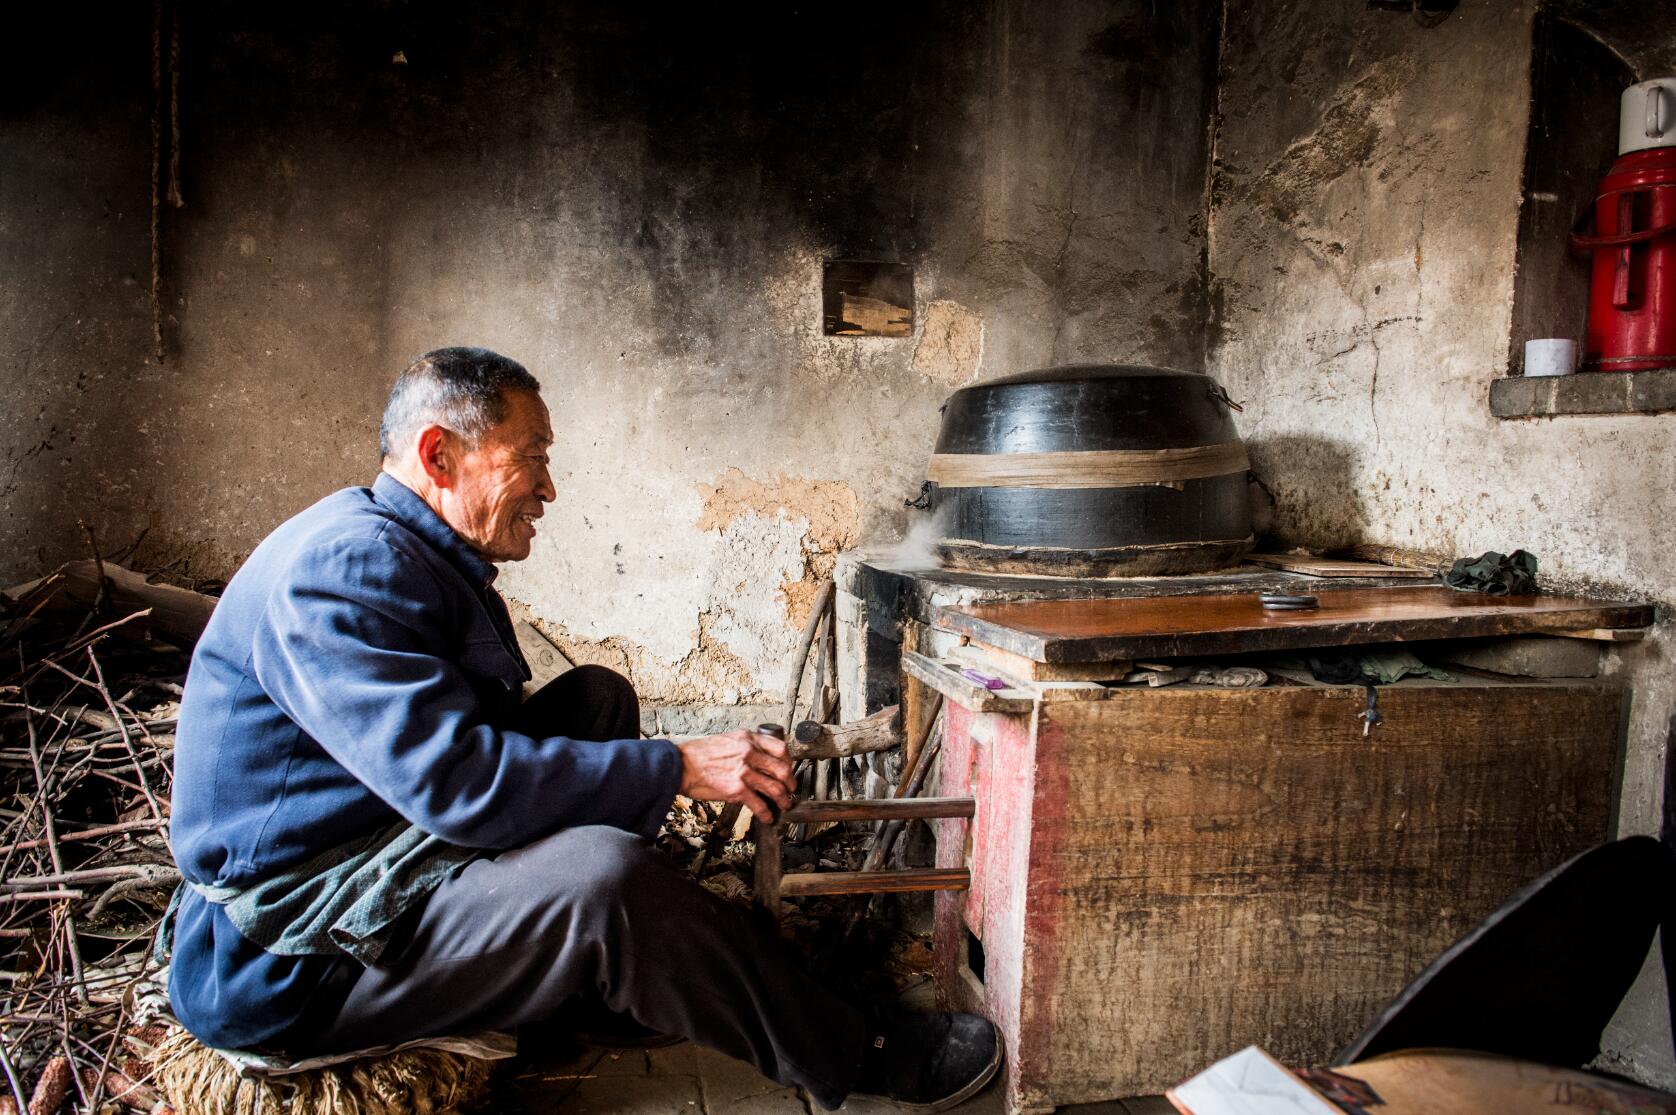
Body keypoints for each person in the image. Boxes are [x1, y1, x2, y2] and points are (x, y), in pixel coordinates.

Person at [164, 346, 1000, 1111]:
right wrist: (675, 764)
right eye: (530, 458)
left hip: (373, 845)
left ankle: (597, 988)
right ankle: (859, 1051)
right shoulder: (343, 573)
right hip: (297, 953)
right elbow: (459, 786)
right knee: (605, 879)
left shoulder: (403, 547)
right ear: (438, 456)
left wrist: (644, 760)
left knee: (596, 701)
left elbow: (467, 747)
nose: (549, 487)